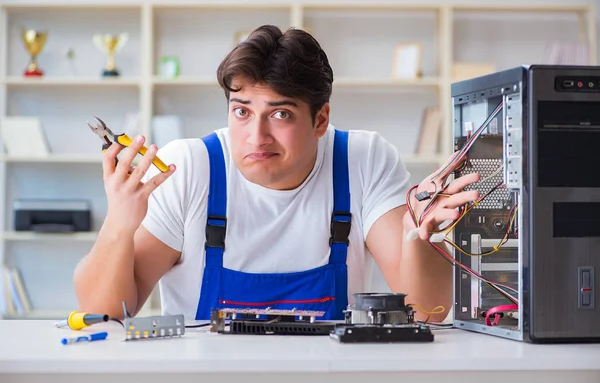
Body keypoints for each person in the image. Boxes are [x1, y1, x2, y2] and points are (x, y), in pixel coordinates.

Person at [73, 25, 479, 323]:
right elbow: (104, 314)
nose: (256, 135)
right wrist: (118, 224)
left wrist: (420, 237)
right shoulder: (191, 168)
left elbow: (429, 313)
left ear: (321, 119)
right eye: (242, 110)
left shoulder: (361, 159)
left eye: (280, 113)